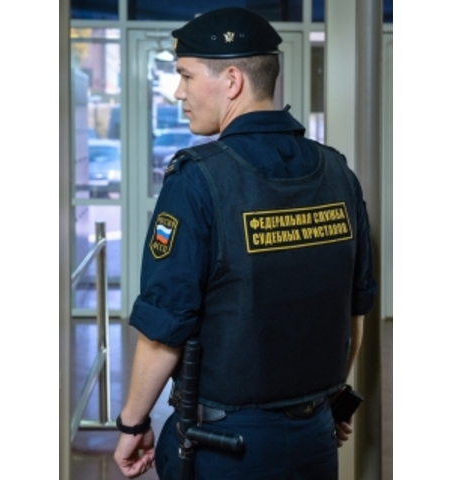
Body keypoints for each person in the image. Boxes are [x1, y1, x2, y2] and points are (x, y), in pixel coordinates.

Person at [113, 6, 377, 480]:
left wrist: (133, 422)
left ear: (232, 81)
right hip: (317, 438)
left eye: (186, 76)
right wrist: (327, 400)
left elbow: (164, 328)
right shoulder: (338, 172)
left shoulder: (198, 180)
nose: (179, 92)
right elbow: (354, 313)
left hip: (224, 448)